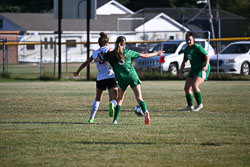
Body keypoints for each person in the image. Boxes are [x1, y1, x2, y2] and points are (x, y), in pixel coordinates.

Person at [96, 36, 163, 125]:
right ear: (124, 44)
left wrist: (105, 53)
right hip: (132, 76)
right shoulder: (128, 52)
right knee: (139, 98)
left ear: (116, 43)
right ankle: (146, 112)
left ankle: (115, 120)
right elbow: (145, 56)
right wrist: (157, 53)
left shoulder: (112, 54)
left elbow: (99, 58)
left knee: (119, 99)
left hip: (121, 78)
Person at [73, 32, 118, 123]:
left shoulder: (95, 53)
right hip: (110, 76)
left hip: (100, 78)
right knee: (114, 98)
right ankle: (112, 105)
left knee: (98, 98)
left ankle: (91, 118)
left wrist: (78, 71)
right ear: (106, 43)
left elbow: (86, 63)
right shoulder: (109, 49)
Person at [179, 32, 210, 112]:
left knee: (194, 85)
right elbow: (184, 61)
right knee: (186, 88)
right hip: (194, 69)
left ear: (193, 40)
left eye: (190, 40)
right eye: (187, 40)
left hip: (202, 69)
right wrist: (181, 70)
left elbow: (207, 56)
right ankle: (190, 106)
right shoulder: (186, 50)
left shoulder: (197, 47)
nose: (188, 41)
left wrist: (206, 66)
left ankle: (199, 104)